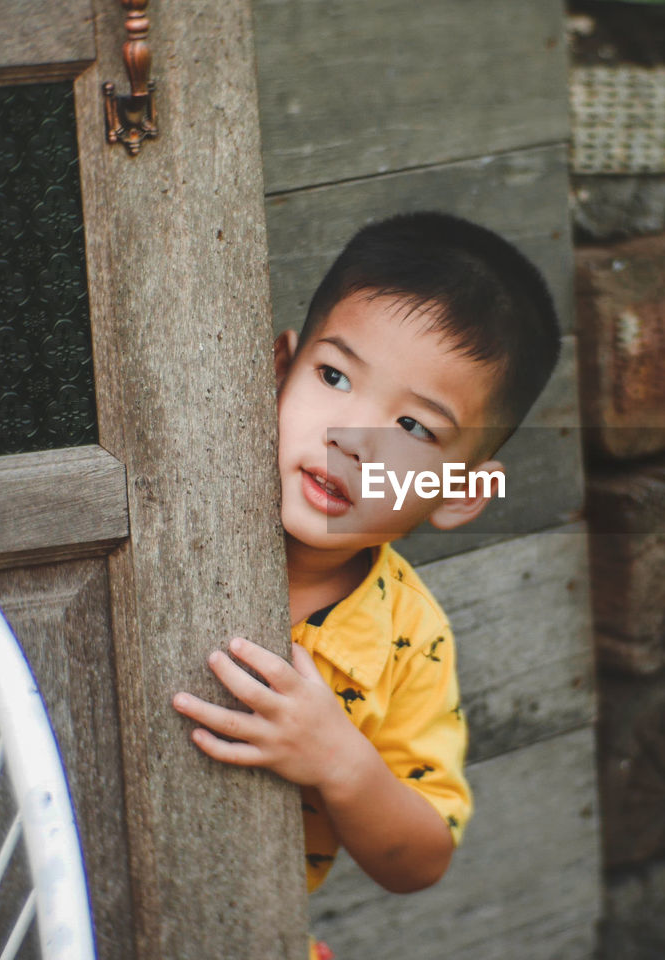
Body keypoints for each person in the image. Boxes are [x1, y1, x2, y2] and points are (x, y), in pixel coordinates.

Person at [171, 212, 561, 950]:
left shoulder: (407, 640)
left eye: (413, 429)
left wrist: (341, 762)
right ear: (278, 368)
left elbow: (421, 858)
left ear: (461, 492)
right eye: (334, 376)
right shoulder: (178, 498)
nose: (349, 440)